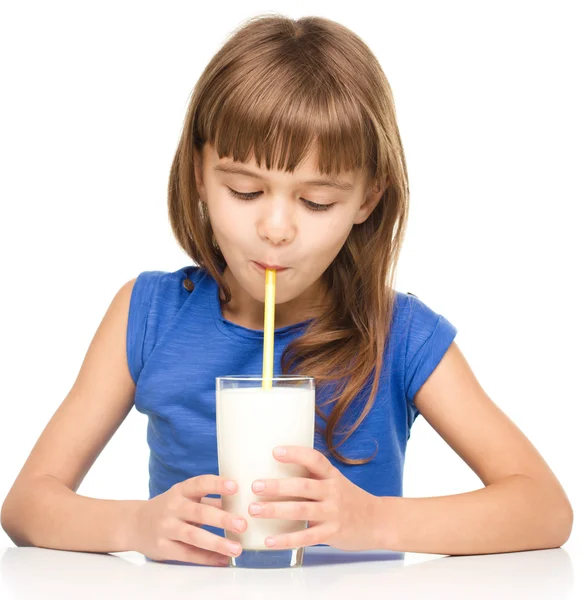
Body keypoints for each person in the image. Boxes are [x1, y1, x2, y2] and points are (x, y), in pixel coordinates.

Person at [1, 14, 573, 567]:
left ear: (367, 199)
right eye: (246, 190)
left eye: (316, 201)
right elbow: (26, 506)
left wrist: (372, 521)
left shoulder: (399, 336)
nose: (276, 229)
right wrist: (134, 526)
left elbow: (544, 509)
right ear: (199, 172)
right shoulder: (149, 315)